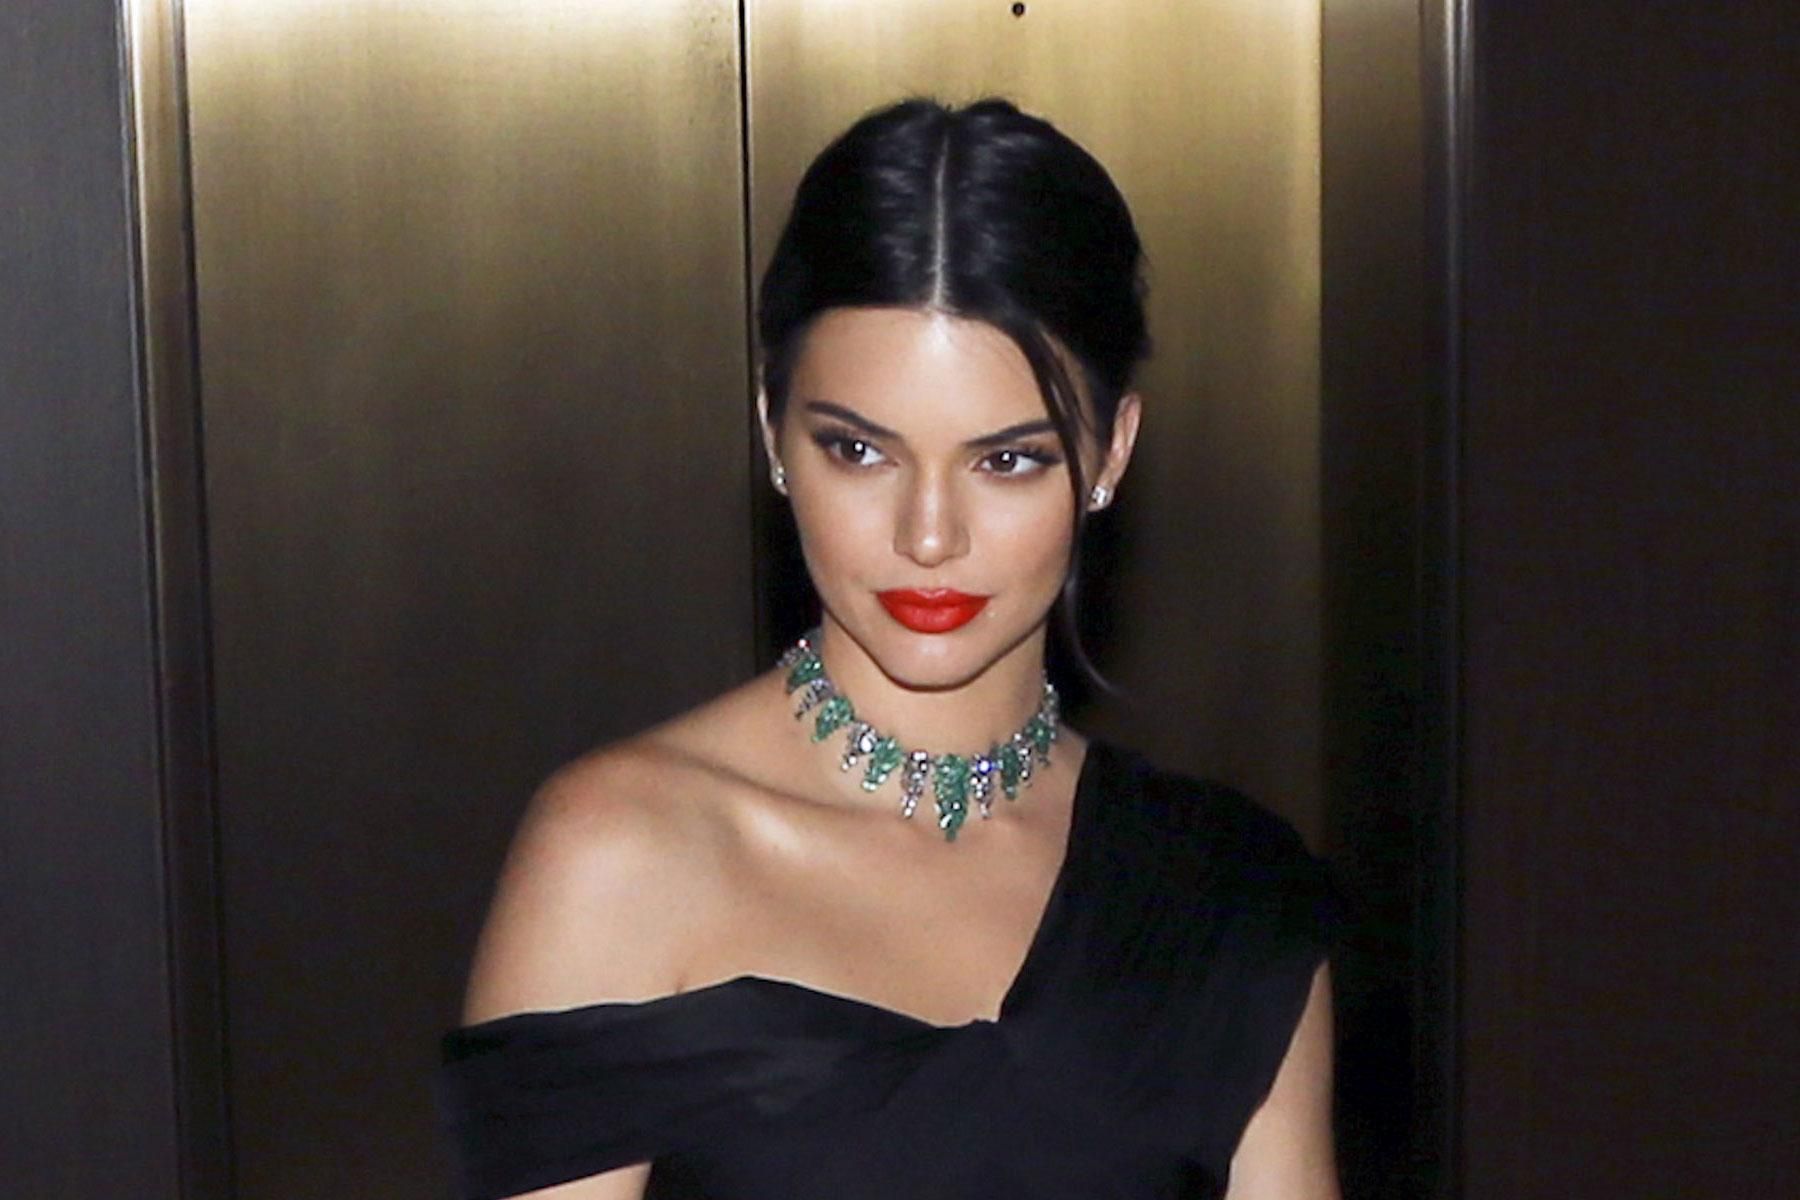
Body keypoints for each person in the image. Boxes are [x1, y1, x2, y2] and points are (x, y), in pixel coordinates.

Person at [437, 98, 1340, 1200]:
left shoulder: (1227, 895)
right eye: (860, 451)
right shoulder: (621, 852)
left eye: (1007, 461)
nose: (929, 535)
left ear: (1111, 453)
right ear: (774, 433)